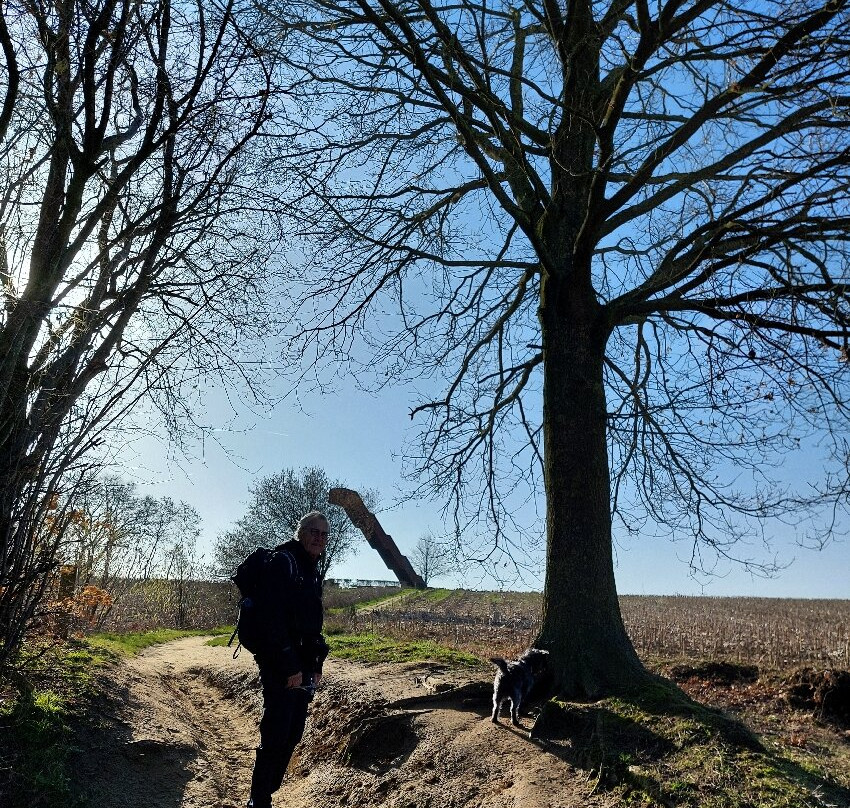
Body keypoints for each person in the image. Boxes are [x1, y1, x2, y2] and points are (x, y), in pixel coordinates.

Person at [247, 511, 330, 808]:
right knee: (277, 730)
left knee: (293, 732)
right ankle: (259, 799)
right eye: (313, 531)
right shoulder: (284, 563)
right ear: (301, 533)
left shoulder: (310, 569)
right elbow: (271, 620)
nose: (318, 538)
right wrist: (289, 665)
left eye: (323, 534)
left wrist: (315, 664)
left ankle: (266, 790)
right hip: (280, 662)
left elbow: (311, 626)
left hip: (303, 664)